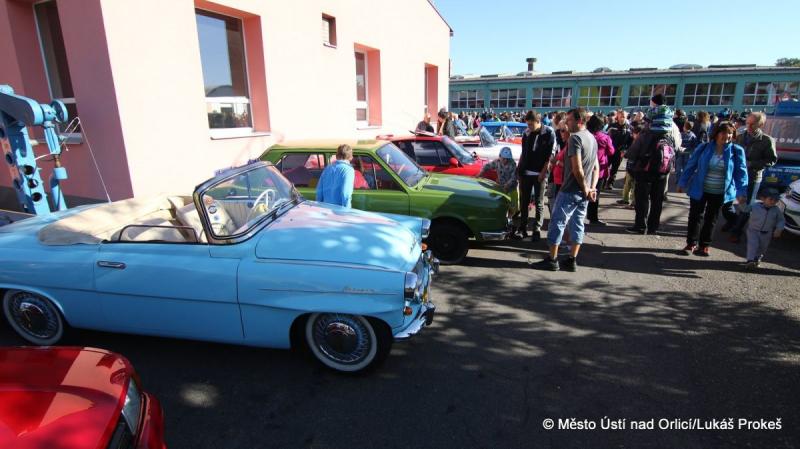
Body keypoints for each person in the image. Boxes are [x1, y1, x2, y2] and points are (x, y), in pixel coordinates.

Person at [531, 108, 598, 272]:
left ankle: (552, 260)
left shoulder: (575, 138)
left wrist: (585, 188)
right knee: (577, 224)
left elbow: (577, 169)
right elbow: (596, 167)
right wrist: (591, 188)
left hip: (571, 190)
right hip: (584, 192)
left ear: (579, 121)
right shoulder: (592, 138)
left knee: (557, 223)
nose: (567, 123)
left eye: (569, 120)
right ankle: (572, 259)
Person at [677, 121, 748, 256]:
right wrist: (682, 182)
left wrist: (741, 192)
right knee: (695, 217)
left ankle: (704, 245)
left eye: (730, 133)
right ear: (716, 134)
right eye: (723, 132)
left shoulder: (736, 151)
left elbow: (741, 173)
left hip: (720, 191)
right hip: (700, 189)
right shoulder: (704, 147)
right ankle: (691, 243)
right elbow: (691, 165)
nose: (727, 136)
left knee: (711, 219)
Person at [726, 111, 778, 242]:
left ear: (761, 124)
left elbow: (771, 160)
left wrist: (751, 164)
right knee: (727, 202)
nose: (748, 126)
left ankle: (736, 231)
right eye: (747, 123)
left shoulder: (766, 140)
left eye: (752, 124)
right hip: (735, 175)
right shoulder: (740, 137)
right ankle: (732, 221)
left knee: (746, 205)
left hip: (753, 177)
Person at [625, 104, 676, 235]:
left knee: (642, 200)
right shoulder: (669, 136)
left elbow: (632, 153)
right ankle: (653, 226)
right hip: (662, 172)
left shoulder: (645, 134)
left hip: (644, 171)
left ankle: (640, 226)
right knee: (657, 201)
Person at [517, 110, 558, 241]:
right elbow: (523, 152)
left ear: (538, 121)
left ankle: (536, 229)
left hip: (540, 173)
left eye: (531, 124)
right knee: (524, 201)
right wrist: (519, 169)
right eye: (527, 124)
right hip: (526, 172)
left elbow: (550, 155)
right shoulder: (526, 133)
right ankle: (522, 227)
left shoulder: (549, 132)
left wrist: (543, 172)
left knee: (539, 202)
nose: (528, 127)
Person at [478, 147, 520, 236]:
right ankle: (502, 223)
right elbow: (487, 166)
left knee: (513, 208)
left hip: (511, 189)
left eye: (507, 159)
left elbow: (514, 178)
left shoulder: (513, 164)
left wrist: (507, 185)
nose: (505, 160)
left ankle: (510, 222)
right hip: (501, 188)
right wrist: (480, 174)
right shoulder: (496, 162)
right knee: (501, 206)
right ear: (500, 156)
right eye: (503, 158)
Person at [743, 187, 785, 270]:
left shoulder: (776, 210)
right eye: (771, 199)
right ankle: (750, 260)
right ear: (762, 198)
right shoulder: (755, 206)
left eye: (776, 200)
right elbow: (745, 209)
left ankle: (757, 258)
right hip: (753, 230)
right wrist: (742, 203)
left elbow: (781, 220)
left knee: (762, 248)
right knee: (753, 245)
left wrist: (779, 229)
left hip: (767, 233)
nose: (773, 202)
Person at [586, 114, 615, 225]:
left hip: (585, 167)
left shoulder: (585, 135)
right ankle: (593, 218)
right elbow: (611, 151)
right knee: (595, 193)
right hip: (600, 169)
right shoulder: (604, 137)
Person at [617, 122, 644, 207]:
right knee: (628, 183)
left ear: (638, 133)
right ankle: (625, 199)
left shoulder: (639, 142)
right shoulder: (636, 141)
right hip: (631, 166)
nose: (632, 135)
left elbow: (632, 153)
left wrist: (625, 154)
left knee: (634, 185)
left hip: (636, 167)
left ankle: (633, 202)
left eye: (634, 133)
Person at [606, 109, 633, 190]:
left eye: (623, 116)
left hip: (619, 152)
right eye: (620, 116)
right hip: (610, 150)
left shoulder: (629, 128)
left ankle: (610, 183)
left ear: (626, 117)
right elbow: (606, 137)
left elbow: (630, 141)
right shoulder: (612, 126)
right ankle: (603, 181)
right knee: (606, 166)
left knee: (615, 168)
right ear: (617, 116)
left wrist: (625, 150)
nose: (622, 117)